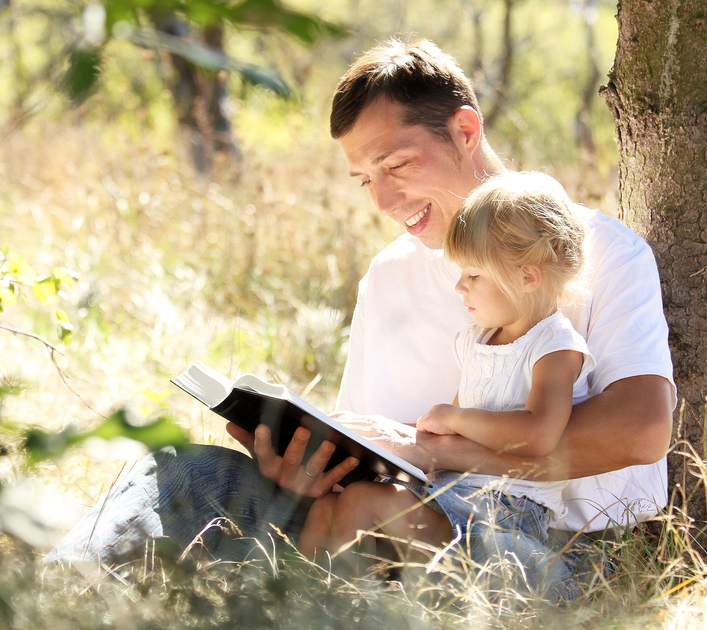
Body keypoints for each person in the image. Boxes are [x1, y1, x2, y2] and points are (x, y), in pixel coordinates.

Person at [46, 39, 675, 585]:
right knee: (184, 473)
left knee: (386, 542)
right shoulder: (390, 276)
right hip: (384, 519)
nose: (385, 200)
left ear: (465, 131)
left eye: (397, 165)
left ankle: (310, 606)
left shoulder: (595, 254)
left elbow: (639, 431)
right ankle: (46, 601)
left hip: (547, 549)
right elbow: (378, 449)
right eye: (364, 179)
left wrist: (441, 452)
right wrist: (304, 469)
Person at [297, 171, 596, 591]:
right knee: (329, 507)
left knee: (364, 503)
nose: (460, 287)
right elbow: (447, 444)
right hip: (453, 492)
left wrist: (455, 419)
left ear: (528, 277)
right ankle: (298, 607)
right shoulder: (476, 341)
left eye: (474, 275)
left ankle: (346, 617)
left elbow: (539, 434)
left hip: (505, 515)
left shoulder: (554, 346)